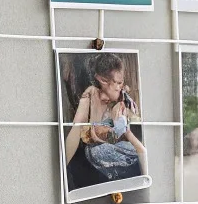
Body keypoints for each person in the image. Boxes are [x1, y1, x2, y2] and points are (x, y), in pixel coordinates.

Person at [63, 53, 148, 189]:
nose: (120, 87)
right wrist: (61, 169)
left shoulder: (121, 101)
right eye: (117, 83)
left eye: (121, 83)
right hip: (95, 163)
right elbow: (78, 132)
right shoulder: (89, 98)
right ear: (102, 80)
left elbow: (135, 122)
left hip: (122, 159)